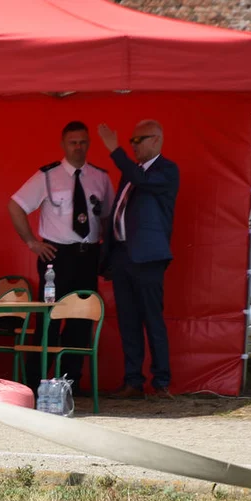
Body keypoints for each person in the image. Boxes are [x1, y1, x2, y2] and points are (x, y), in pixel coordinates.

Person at [9, 121, 115, 392]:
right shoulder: (47, 175)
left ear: (89, 144)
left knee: (81, 320)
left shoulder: (100, 177)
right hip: (56, 256)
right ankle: (36, 383)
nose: (78, 147)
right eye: (73, 142)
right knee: (49, 319)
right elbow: (16, 205)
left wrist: (105, 253)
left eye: (83, 142)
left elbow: (107, 216)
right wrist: (32, 242)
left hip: (87, 254)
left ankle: (70, 384)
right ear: (63, 144)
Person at [97, 119, 180, 399]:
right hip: (123, 256)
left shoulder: (166, 170)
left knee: (152, 320)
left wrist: (115, 150)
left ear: (156, 140)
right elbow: (120, 209)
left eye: (138, 140)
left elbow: (142, 180)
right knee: (128, 321)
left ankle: (161, 382)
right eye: (131, 141)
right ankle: (133, 380)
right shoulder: (131, 172)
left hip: (148, 258)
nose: (134, 145)